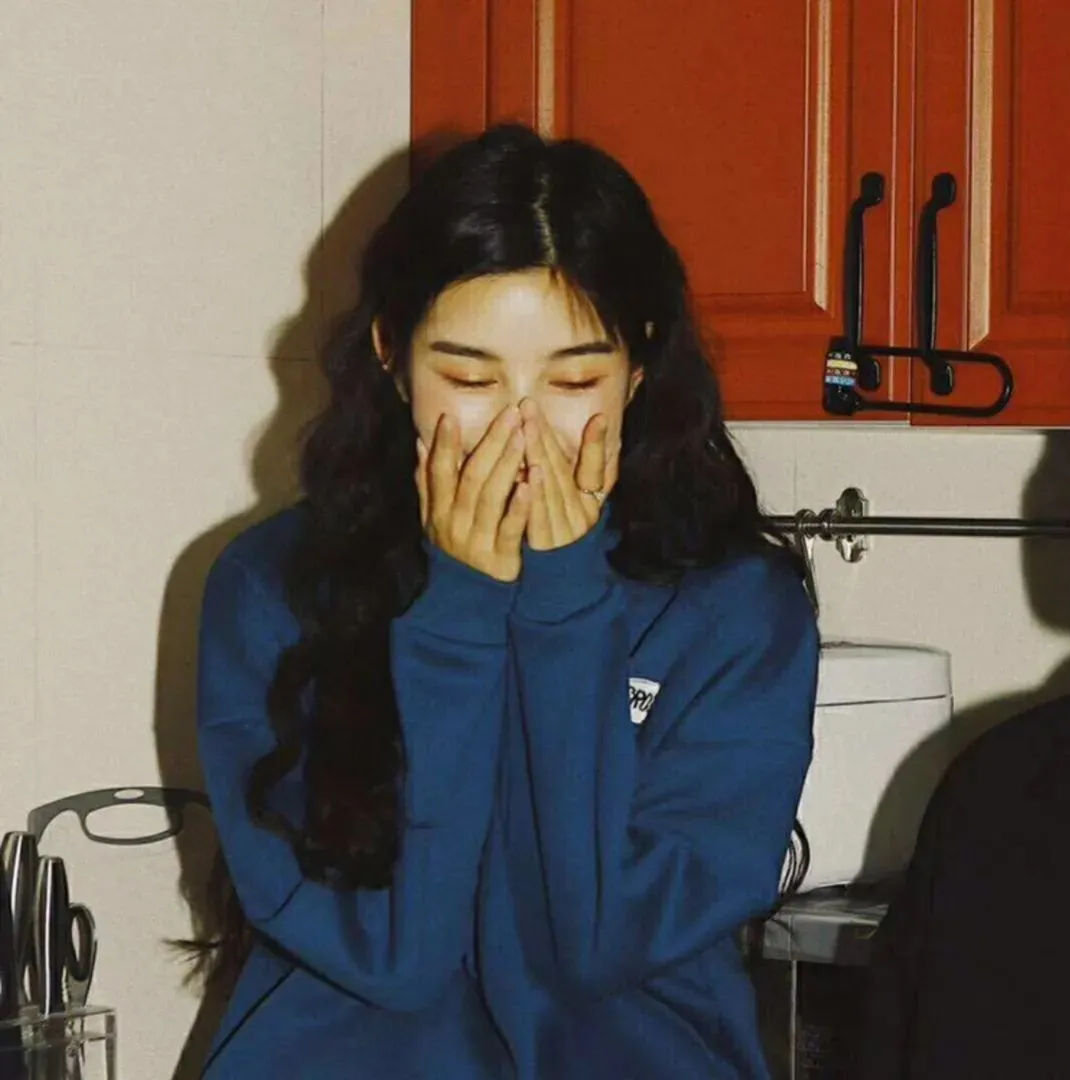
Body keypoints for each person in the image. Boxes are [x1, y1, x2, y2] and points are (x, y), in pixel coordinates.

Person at [195, 123, 819, 1079]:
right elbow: (398, 960)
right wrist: (460, 615)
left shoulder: (734, 613)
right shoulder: (272, 586)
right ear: (392, 357)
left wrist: (565, 612)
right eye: (469, 377)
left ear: (640, 365)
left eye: (574, 379)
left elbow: (594, 947)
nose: (522, 430)